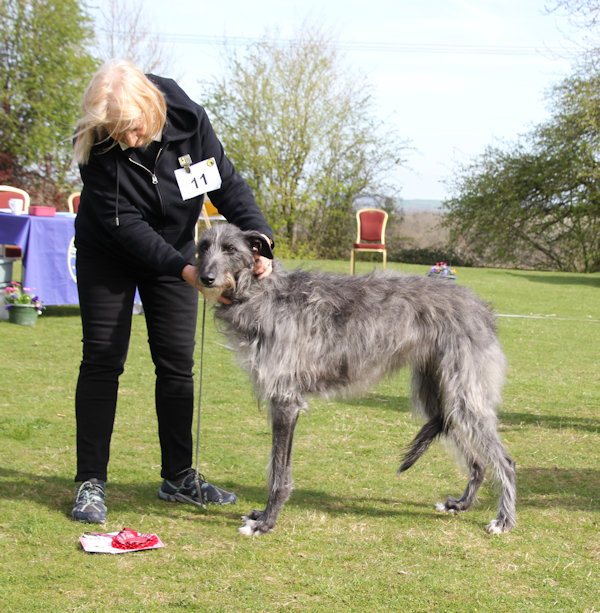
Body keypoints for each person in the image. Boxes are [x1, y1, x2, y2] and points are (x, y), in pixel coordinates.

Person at [70, 59, 274, 524]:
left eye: (132, 128)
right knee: (103, 360)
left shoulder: (187, 118)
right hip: (112, 250)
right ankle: (90, 483)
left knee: (177, 363)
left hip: (178, 252)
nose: (125, 138)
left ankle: (179, 477)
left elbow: (225, 183)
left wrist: (260, 241)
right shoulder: (99, 142)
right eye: (115, 131)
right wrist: (188, 271)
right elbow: (128, 227)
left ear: (150, 106)